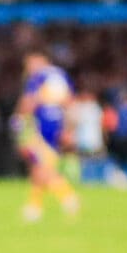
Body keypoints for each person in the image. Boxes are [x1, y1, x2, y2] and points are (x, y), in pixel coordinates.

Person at [13, 51, 79, 222]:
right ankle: (35, 206)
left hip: (40, 127)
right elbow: (70, 101)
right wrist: (69, 128)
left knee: (42, 168)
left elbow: (28, 102)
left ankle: (67, 197)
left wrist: (19, 120)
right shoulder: (61, 75)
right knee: (39, 167)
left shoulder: (39, 77)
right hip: (56, 126)